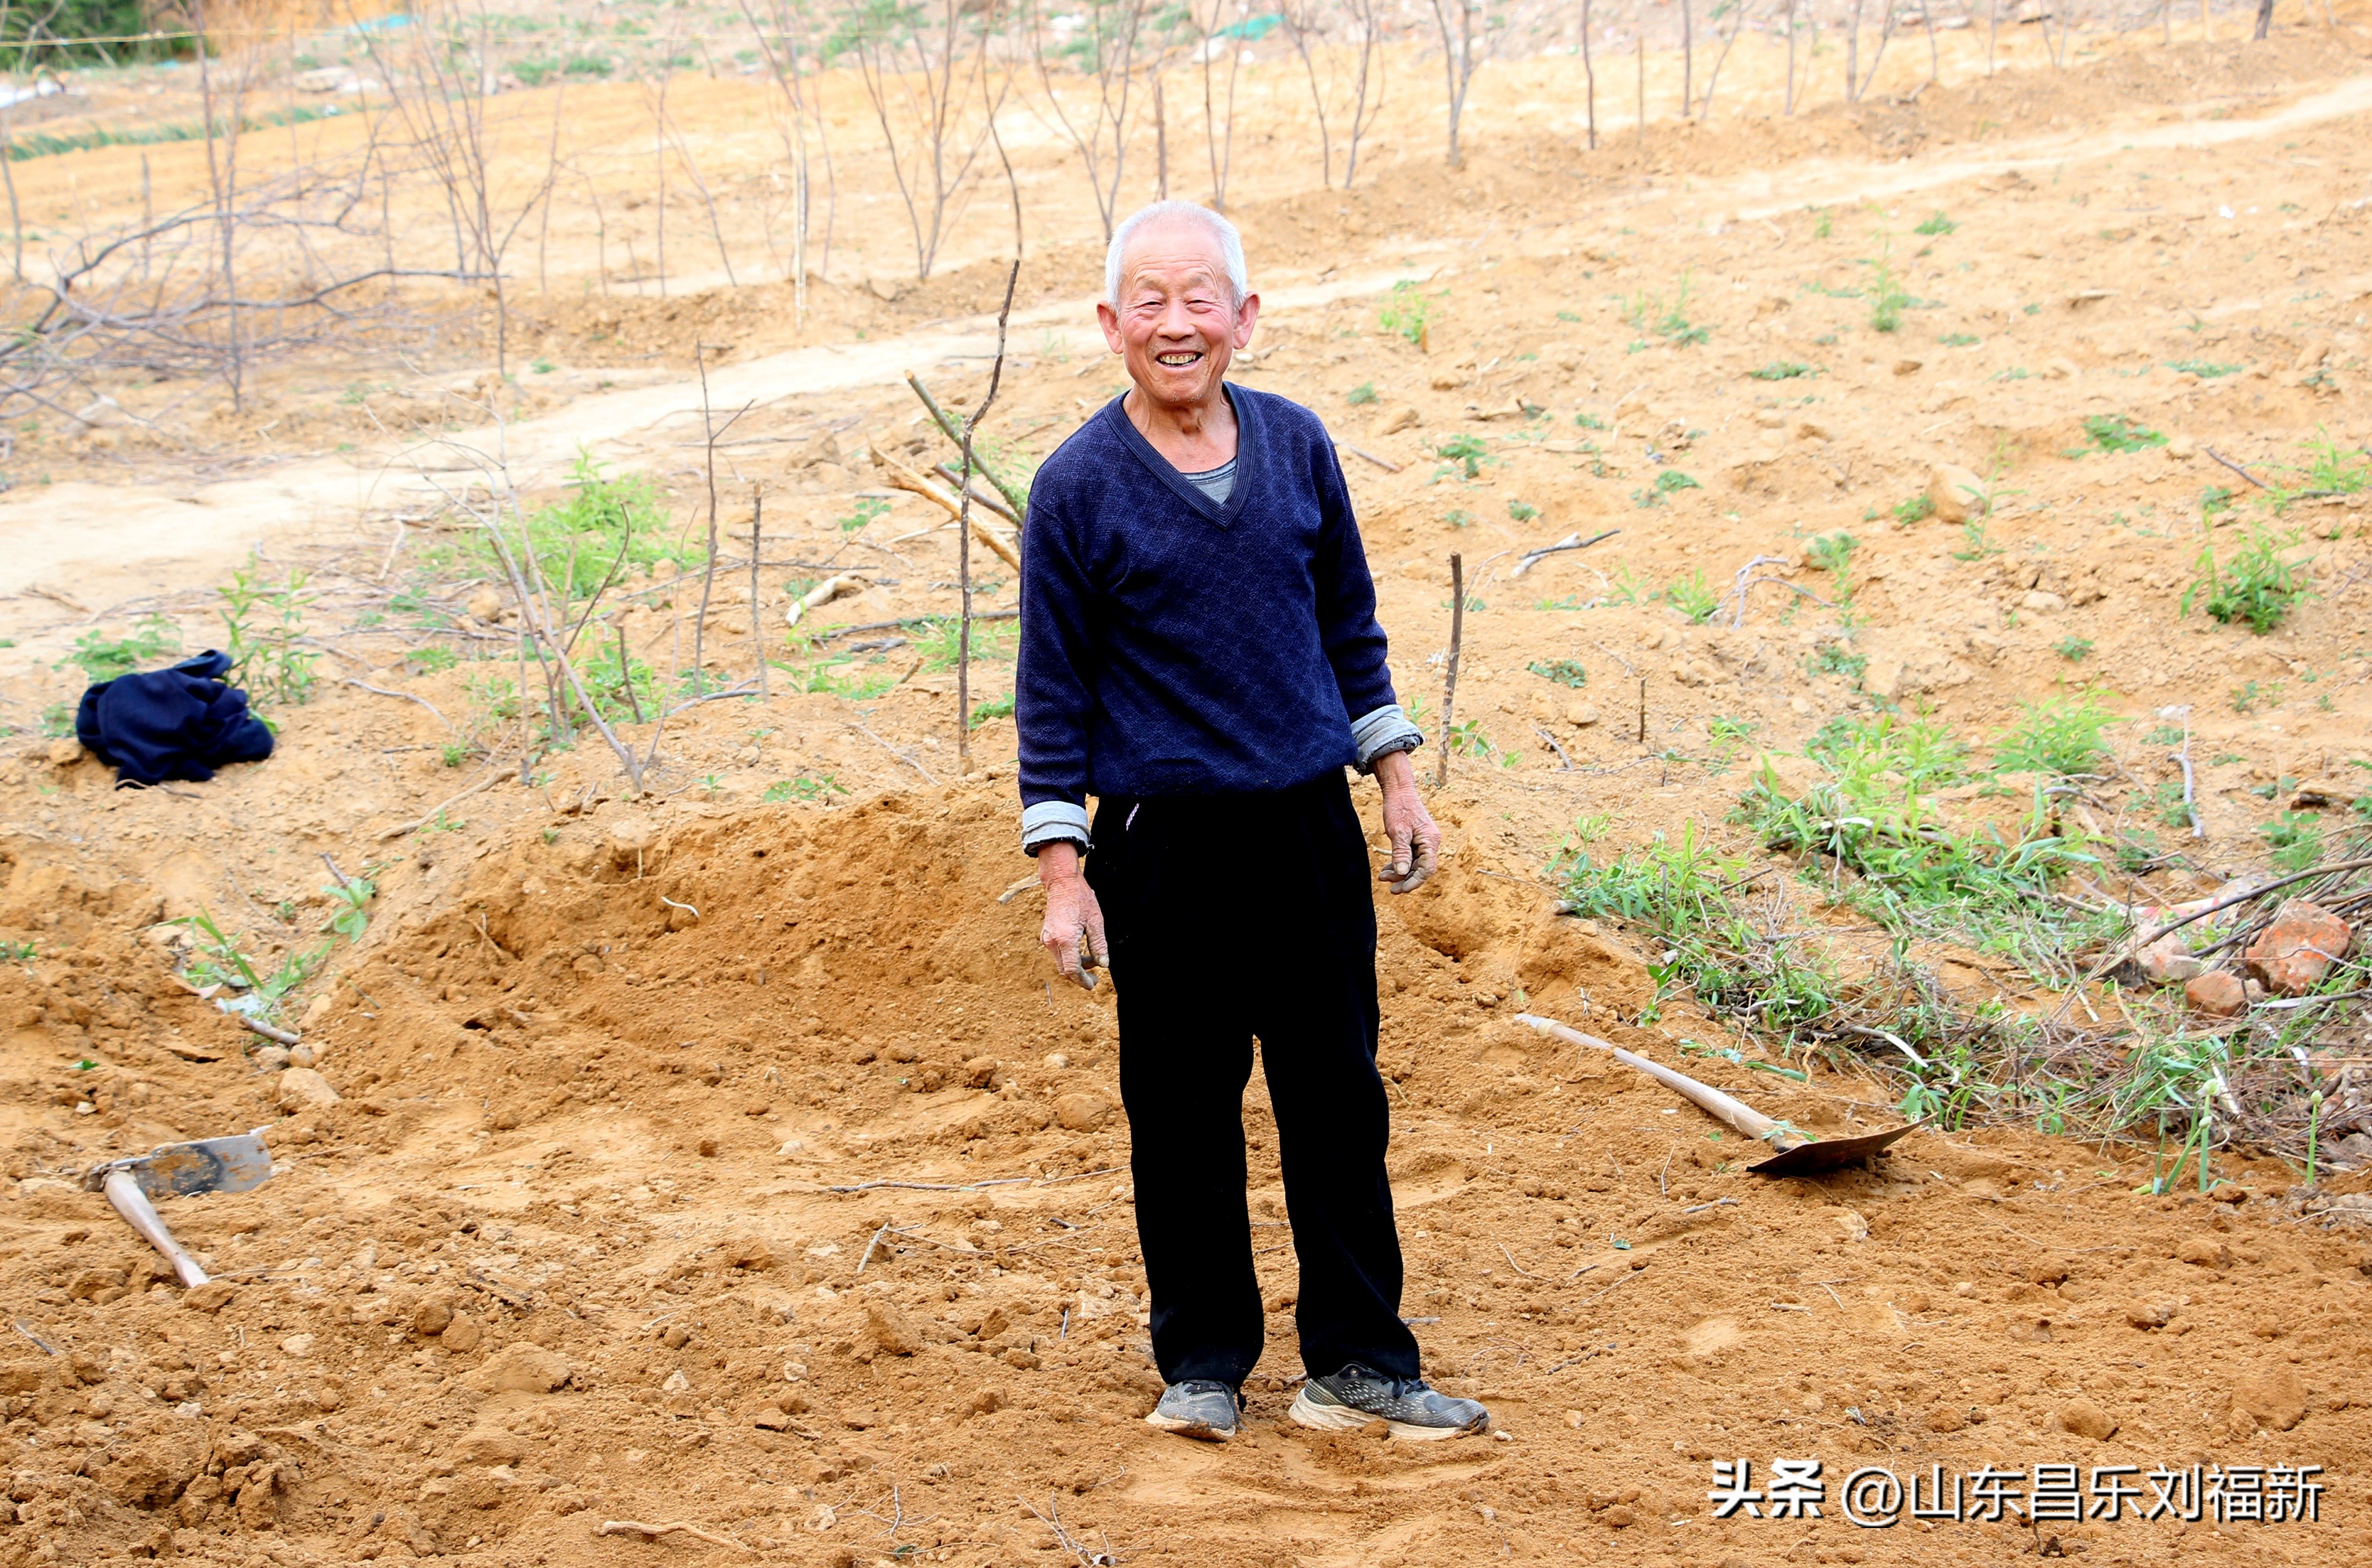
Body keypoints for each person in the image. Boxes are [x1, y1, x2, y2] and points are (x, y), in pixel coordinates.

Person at [1014, 200, 1488, 1443]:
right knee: (1178, 1109)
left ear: (1244, 317)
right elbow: (1050, 695)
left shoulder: (1294, 444)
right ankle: (1204, 1364)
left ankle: (1358, 1361)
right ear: (1112, 325)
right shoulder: (1073, 488)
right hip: (1159, 845)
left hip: (1303, 829)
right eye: (1150, 304)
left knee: (1336, 1094)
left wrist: (1394, 775)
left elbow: (1349, 624)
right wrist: (1064, 873)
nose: (1178, 324)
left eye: (1201, 299)